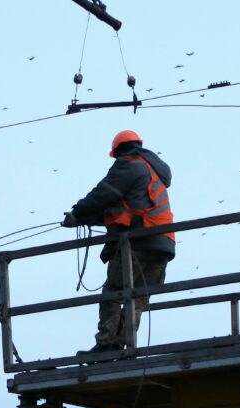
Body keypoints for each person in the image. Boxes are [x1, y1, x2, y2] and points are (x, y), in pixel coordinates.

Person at [62, 130, 175, 355]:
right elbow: (120, 208)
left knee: (113, 291)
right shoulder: (151, 171)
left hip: (140, 241)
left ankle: (106, 344)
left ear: (119, 150)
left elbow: (105, 193)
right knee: (137, 297)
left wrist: (77, 212)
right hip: (162, 243)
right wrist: (84, 218)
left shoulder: (129, 164)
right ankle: (123, 345)